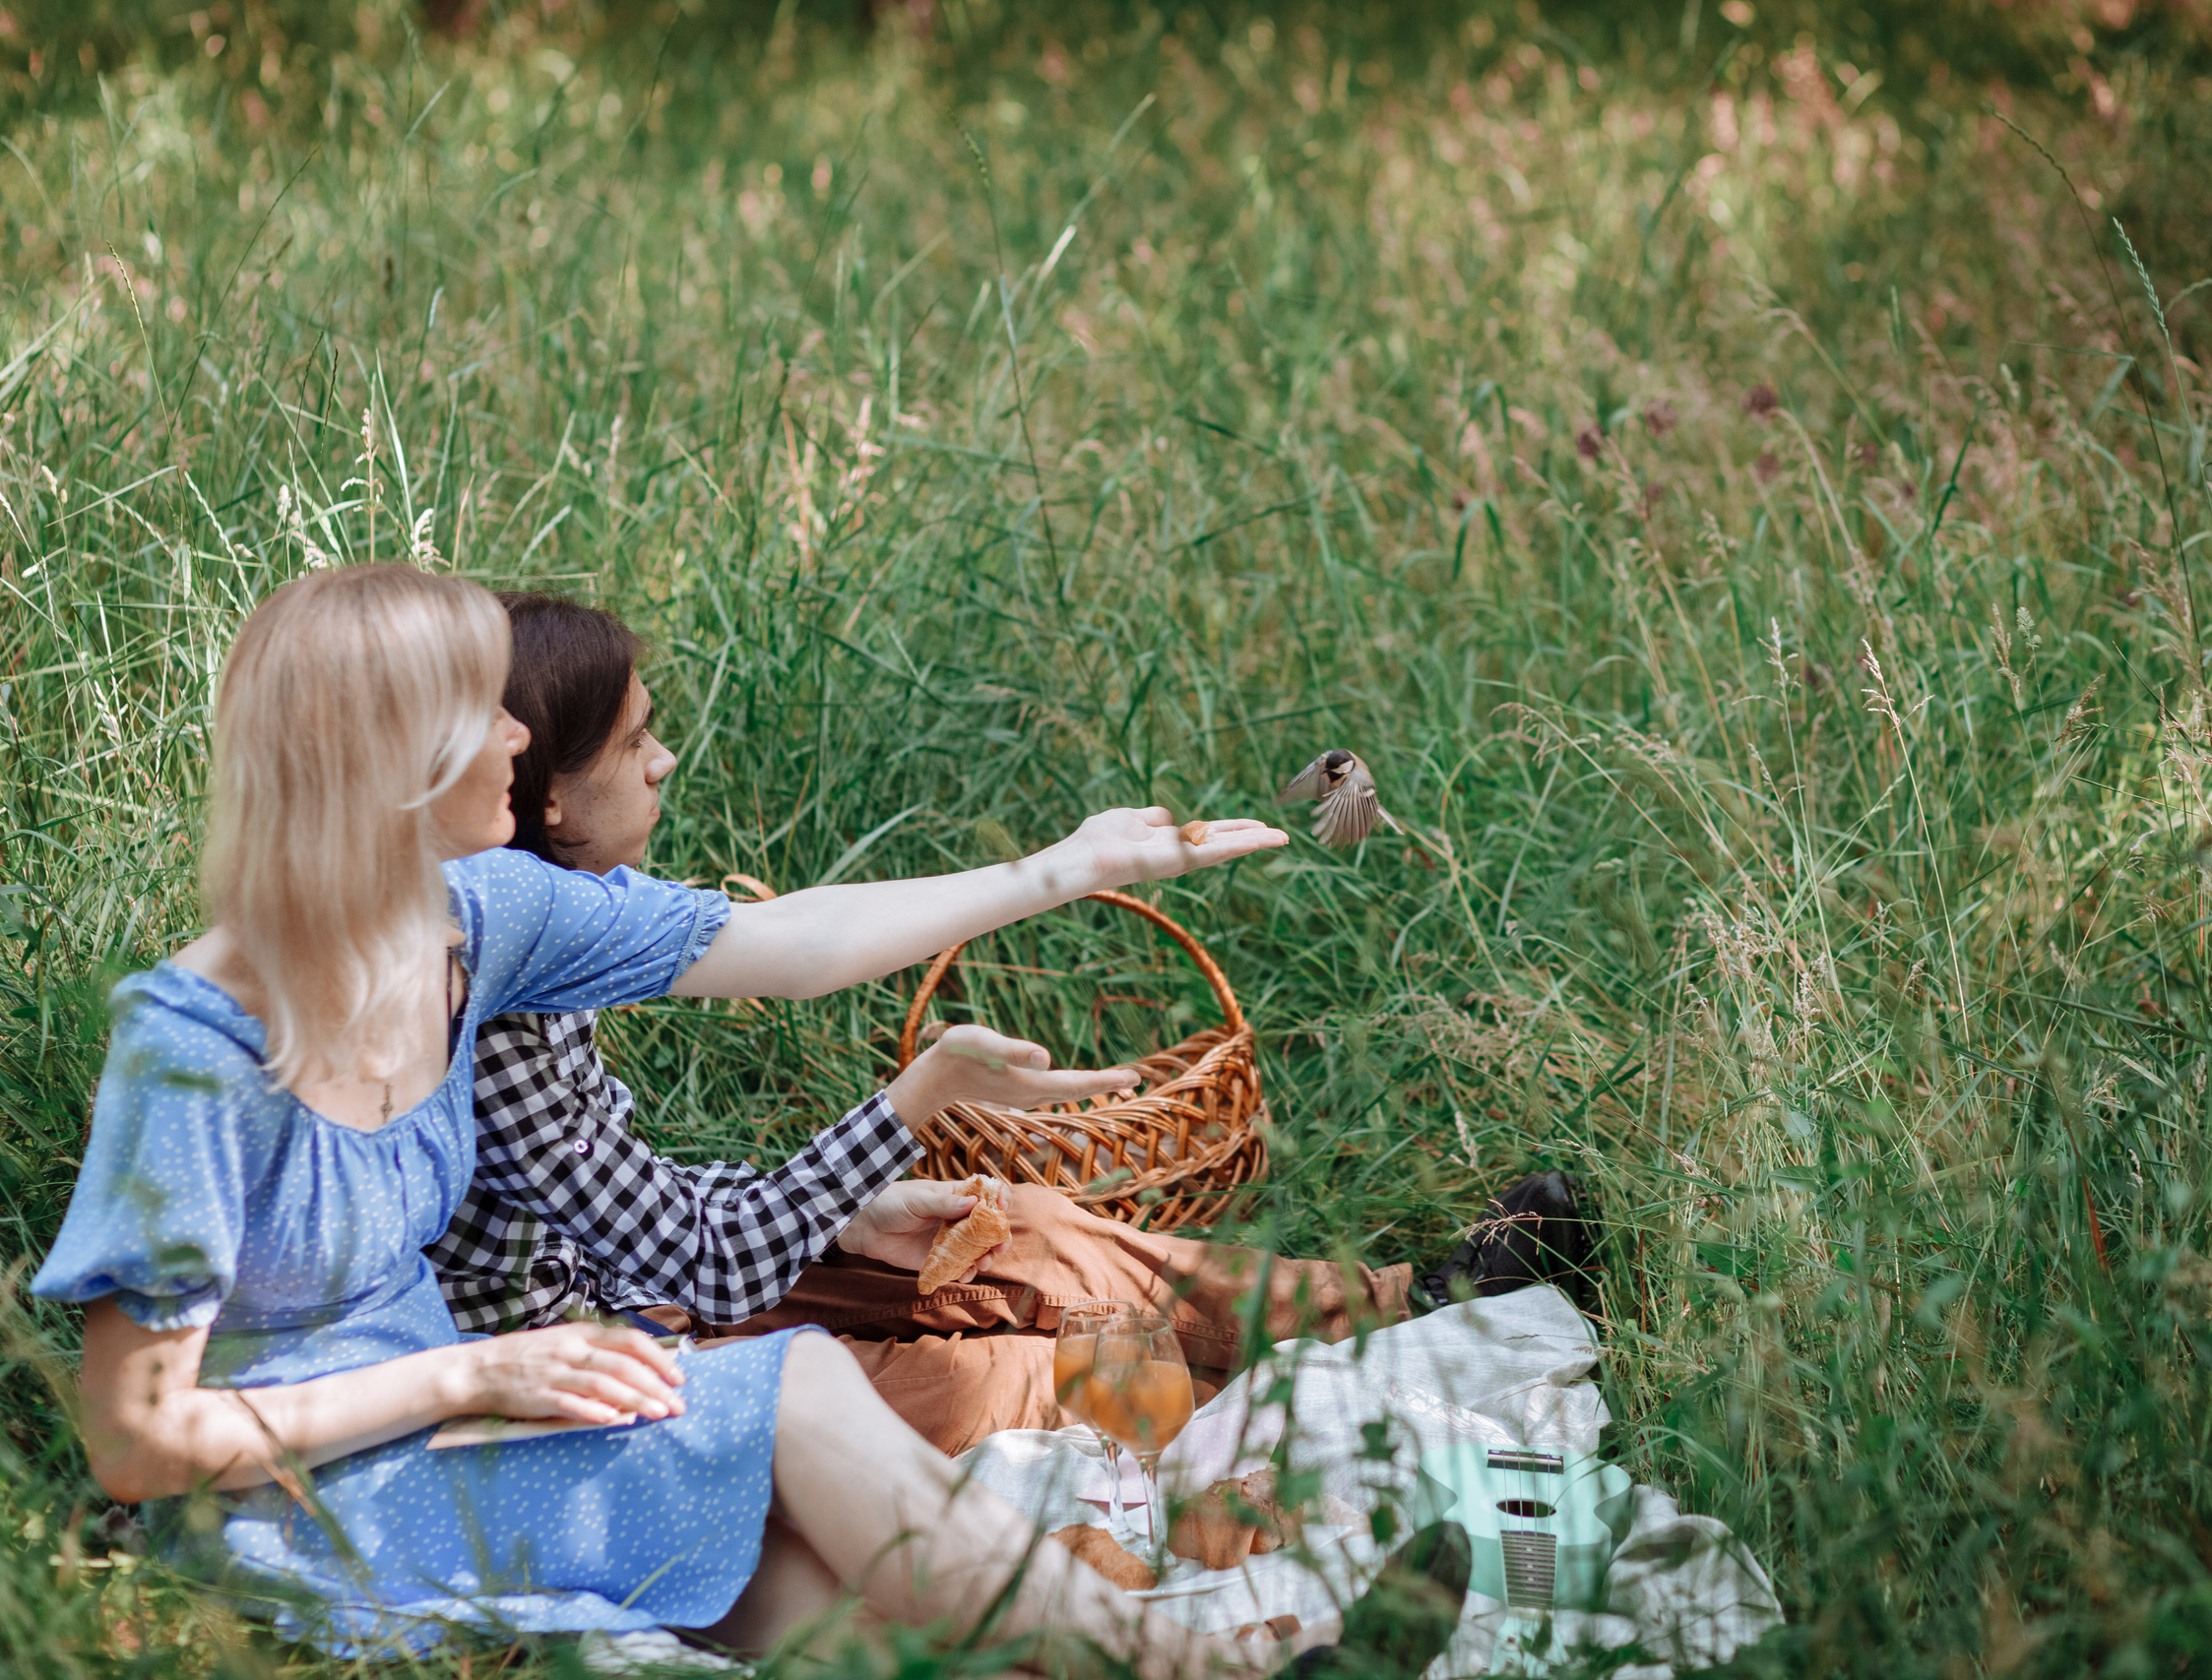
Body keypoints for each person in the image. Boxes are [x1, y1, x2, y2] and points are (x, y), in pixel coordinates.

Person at [30, 563, 1485, 1671]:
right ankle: (1209, 1654)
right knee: (789, 1387)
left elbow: (783, 948)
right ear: (392, 757)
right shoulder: (194, 1049)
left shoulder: (475, 914)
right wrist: (471, 1377)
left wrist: (1064, 864)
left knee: (805, 1585)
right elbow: (137, 1443)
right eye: (485, 707)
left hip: (485, 1407)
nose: (522, 734)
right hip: (315, 1502)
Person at [428, 593, 1598, 1457]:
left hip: (650, 1288)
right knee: (1004, 1384)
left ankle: (1409, 1309)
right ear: (539, 792)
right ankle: (1343, 1429)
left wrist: (852, 1201)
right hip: (605, 1373)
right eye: (634, 741)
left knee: (1017, 1229)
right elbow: (708, 1261)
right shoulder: (499, 1003)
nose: (665, 757)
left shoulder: (562, 918)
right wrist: (912, 1106)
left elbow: (632, 1196)